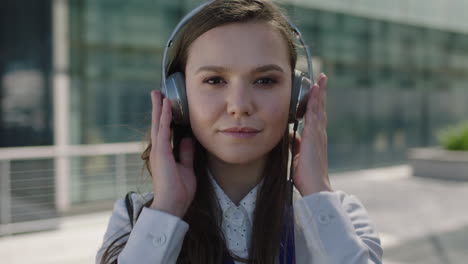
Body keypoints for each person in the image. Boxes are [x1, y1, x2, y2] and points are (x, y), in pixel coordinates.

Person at [96, 0, 383, 263]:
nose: (240, 106)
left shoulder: (340, 215)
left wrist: (318, 193)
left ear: (298, 97)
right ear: (178, 97)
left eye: (265, 81)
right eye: (215, 80)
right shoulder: (135, 218)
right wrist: (167, 210)